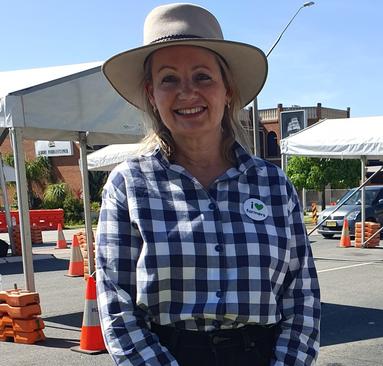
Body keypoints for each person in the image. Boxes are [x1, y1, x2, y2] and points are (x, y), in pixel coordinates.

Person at [95, 3, 320, 365]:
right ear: (151, 93)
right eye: (169, 79)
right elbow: (117, 305)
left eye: (202, 76)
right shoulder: (129, 185)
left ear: (227, 89)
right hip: (167, 355)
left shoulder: (273, 185)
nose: (187, 92)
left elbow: (302, 297)